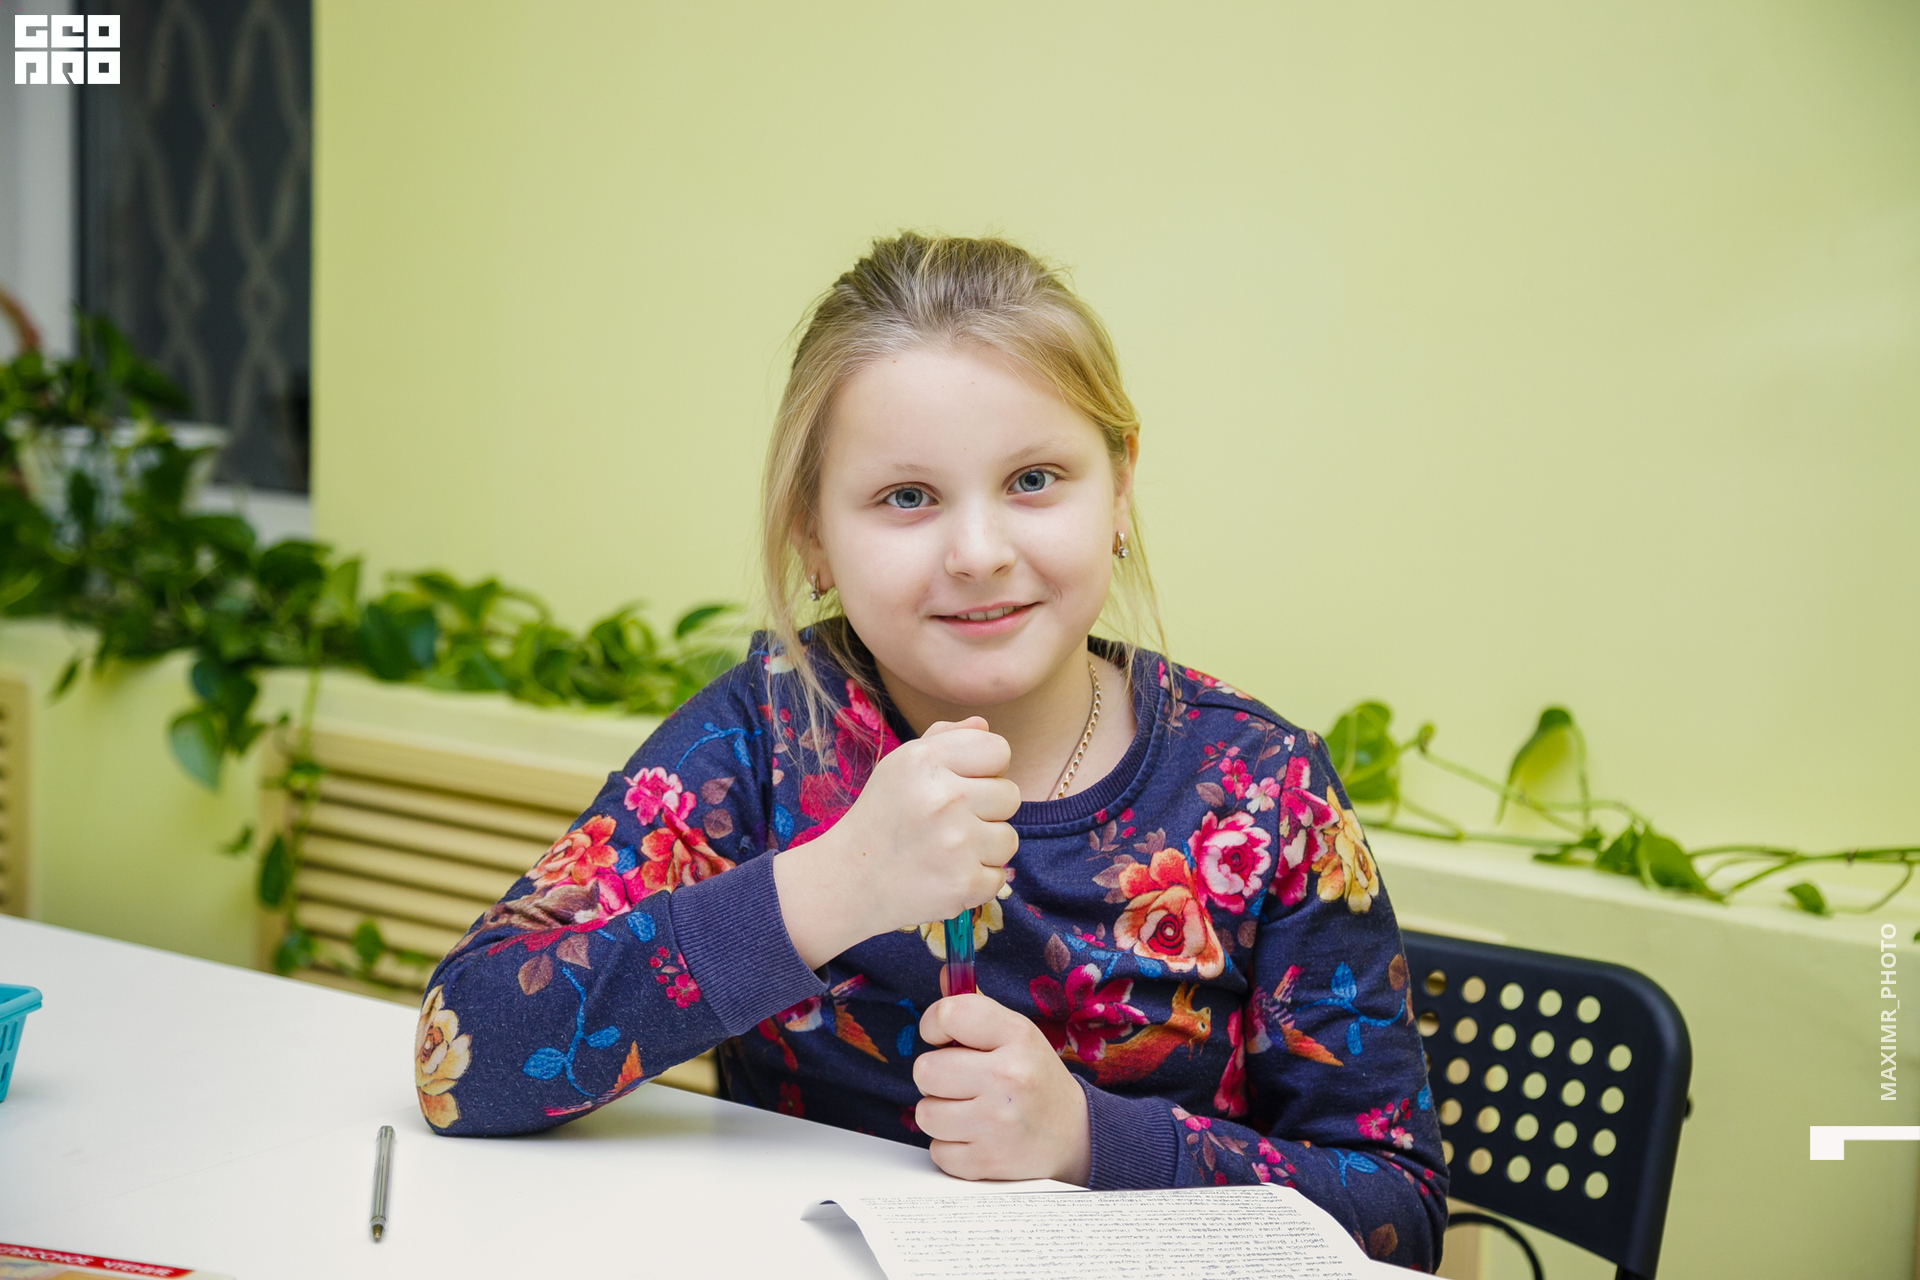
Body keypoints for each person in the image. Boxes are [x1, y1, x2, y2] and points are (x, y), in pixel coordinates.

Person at [416, 232, 1447, 1268]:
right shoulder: (765, 735)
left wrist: (1088, 1140)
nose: (978, 552)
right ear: (813, 533)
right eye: (906, 497)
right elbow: (461, 1055)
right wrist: (831, 886)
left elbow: (1397, 1217)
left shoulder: (1266, 789)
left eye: (1035, 478)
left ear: (1121, 487)